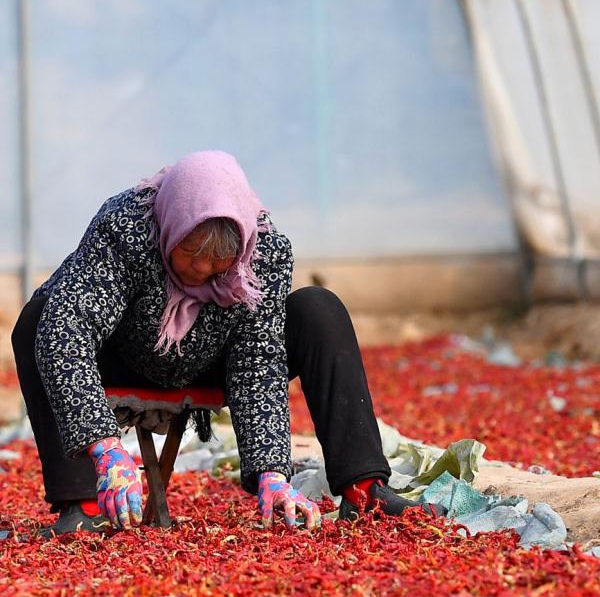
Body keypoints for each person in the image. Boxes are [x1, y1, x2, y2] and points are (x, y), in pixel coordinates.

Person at [11, 150, 420, 537]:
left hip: (212, 358)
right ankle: (85, 507)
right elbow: (70, 328)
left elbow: (257, 361)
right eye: (191, 253)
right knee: (42, 320)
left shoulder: (265, 250)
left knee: (318, 308)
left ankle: (363, 489)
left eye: (220, 262)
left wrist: (272, 473)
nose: (203, 270)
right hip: (124, 354)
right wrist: (104, 446)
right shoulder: (127, 227)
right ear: (172, 228)